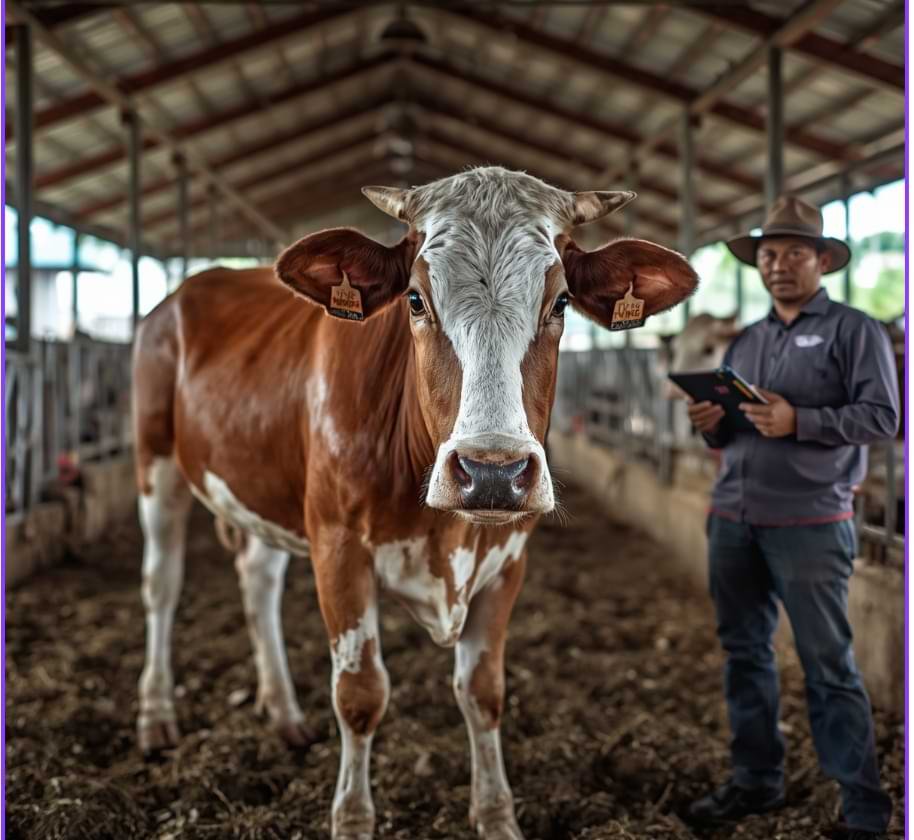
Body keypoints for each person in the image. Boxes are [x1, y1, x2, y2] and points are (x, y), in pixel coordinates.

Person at [685, 196, 898, 840]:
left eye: (794, 253)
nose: (779, 265)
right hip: (732, 516)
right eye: (769, 255)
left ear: (823, 260)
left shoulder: (854, 331)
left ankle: (864, 811)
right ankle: (756, 780)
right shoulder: (747, 341)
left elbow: (884, 418)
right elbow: (732, 435)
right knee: (743, 653)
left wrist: (799, 420)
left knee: (828, 664)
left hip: (808, 524)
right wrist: (710, 426)